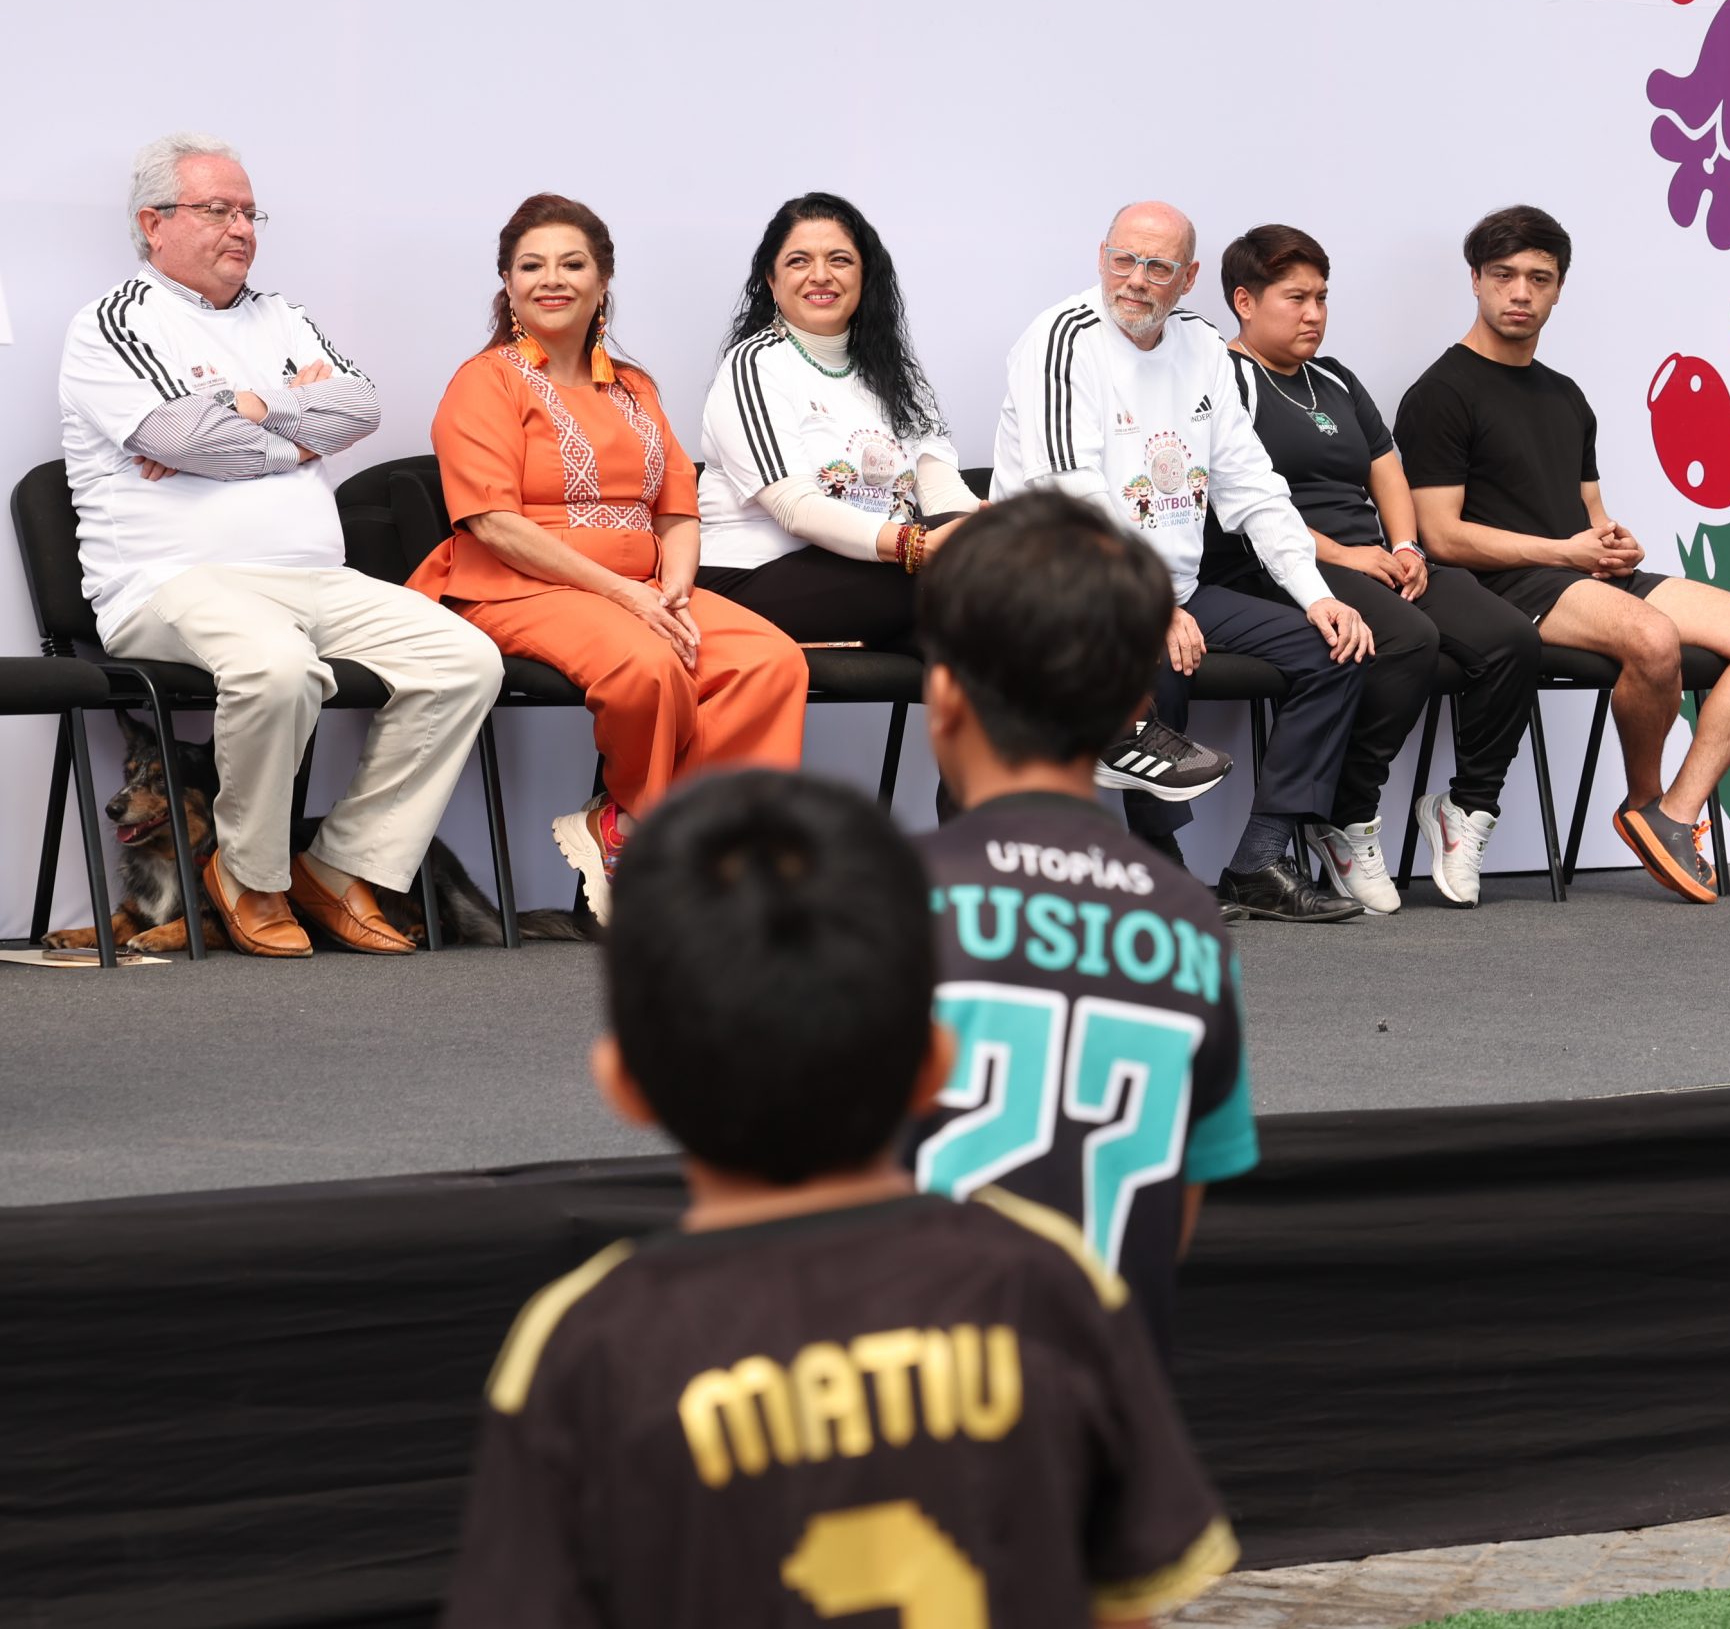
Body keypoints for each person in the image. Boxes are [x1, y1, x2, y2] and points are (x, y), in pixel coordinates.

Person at [440, 769, 1237, 1626]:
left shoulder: (585, 1345)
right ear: (937, 1065)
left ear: (625, 1085)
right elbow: (1126, 1603)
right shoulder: (1050, 1283)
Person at [57, 131, 502, 958]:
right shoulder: (113, 323)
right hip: (170, 582)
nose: (242, 228)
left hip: (313, 580)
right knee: (278, 670)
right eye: (217, 209)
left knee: (466, 661)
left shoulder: (283, 315)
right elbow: (176, 431)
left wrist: (248, 411)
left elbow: (360, 409)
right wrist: (295, 433)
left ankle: (337, 868)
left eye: (249, 211)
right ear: (154, 223)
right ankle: (250, 876)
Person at [912, 493, 1260, 1358]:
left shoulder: (882, 900)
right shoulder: (1189, 923)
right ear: (1123, 713)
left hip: (920, 1402)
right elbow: (1180, 1196)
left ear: (945, 698)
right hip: (1110, 1397)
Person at [410, 194, 808, 921]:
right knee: (648, 665)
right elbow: (493, 522)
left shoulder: (635, 386)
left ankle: (678, 840)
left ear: (603, 281)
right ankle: (644, 828)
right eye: (531, 265)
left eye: (572, 264)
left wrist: (675, 592)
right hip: (514, 585)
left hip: (643, 584)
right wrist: (629, 597)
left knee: (769, 661)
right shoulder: (485, 380)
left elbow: (679, 510)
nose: (550, 279)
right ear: (507, 282)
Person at [1398, 205, 1730, 905]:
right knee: (1652, 635)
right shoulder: (1441, 393)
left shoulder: (1567, 396)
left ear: (1558, 288)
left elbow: (1590, 512)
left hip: (1580, 573)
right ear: (1475, 281)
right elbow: (1441, 536)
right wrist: (1565, 550)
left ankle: (1673, 813)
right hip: (1503, 586)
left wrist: (1614, 541)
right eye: (1504, 276)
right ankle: (1644, 800)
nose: (1519, 292)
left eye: (1538, 278)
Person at [992, 200, 1372, 922]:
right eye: (1122, 259)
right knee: (1157, 653)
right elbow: (1070, 494)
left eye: (1157, 266)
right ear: (1101, 254)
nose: (1134, 280)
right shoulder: (1058, 339)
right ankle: (1157, 869)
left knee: (1335, 651)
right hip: (1067, 582)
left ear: (1189, 276)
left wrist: (1314, 592)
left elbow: (1251, 483)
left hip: (1176, 585)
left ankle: (1259, 861)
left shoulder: (1202, 348)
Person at [1212, 224, 1540, 911]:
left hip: (1376, 558)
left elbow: (1386, 470)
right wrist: (1343, 555)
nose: (1314, 313)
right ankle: (1347, 815)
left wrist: (1406, 547)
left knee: (1511, 638)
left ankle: (1466, 807)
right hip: (1283, 564)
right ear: (1244, 301)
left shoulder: (1334, 378)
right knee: (1407, 640)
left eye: (1322, 297)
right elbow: (1240, 503)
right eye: (1295, 297)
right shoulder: (1222, 379)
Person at [694, 193, 978, 645]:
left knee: (983, 616)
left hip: (879, 571)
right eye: (799, 261)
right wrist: (916, 547)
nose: (820, 275)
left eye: (840, 259)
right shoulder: (754, 365)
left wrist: (990, 536)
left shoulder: (893, 375)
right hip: (754, 577)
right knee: (973, 594)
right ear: (771, 279)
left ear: (865, 275)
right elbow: (795, 509)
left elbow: (943, 493)